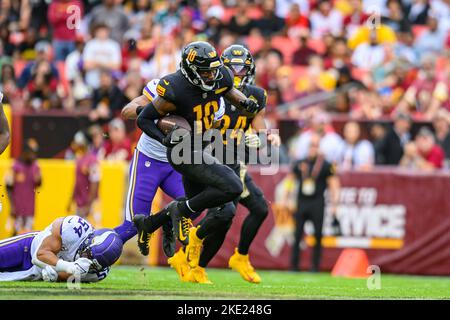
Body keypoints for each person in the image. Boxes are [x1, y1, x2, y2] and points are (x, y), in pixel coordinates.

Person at [133, 41, 260, 284]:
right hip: (183, 151)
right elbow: (144, 119)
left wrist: (244, 102)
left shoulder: (219, 74)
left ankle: (150, 223)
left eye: (214, 70)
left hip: (201, 146)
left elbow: (228, 90)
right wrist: (164, 139)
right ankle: (178, 211)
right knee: (232, 187)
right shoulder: (175, 88)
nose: (212, 75)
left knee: (215, 207)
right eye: (206, 72)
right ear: (191, 70)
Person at [169, 45, 281, 284]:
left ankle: (231, 257)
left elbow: (260, 130)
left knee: (254, 209)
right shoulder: (214, 92)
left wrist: (265, 138)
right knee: (224, 214)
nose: (238, 74)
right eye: (233, 69)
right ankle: (191, 254)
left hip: (234, 162)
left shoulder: (256, 95)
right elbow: (203, 130)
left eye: (242, 70)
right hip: (211, 157)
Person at [113, 79, 185, 260]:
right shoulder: (166, 88)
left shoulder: (204, 98)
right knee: (132, 226)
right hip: (149, 161)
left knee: (195, 202)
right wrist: (151, 113)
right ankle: (89, 249)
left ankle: (166, 219)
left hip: (176, 161)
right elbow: (127, 110)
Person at [0, 216, 122, 282]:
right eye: (88, 253)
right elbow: (39, 255)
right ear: (90, 240)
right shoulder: (74, 228)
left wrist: (56, 276)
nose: (86, 259)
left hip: (35, 274)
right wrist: (68, 267)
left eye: (93, 263)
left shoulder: (98, 274)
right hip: (28, 249)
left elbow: (65, 277)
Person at [291, 133, 340, 272]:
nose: (313, 148)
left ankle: (315, 266)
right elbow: (290, 180)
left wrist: (335, 204)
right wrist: (287, 199)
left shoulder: (326, 165)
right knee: (297, 235)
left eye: (316, 145)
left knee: (318, 235)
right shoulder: (300, 163)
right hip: (301, 201)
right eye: (311, 145)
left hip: (317, 202)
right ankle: (294, 266)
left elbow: (334, 184)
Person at [5, 139, 41, 236]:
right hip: (18, 207)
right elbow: (8, 186)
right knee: (17, 235)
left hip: (30, 208)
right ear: (25, 152)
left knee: (28, 235)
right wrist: (12, 206)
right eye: (31, 153)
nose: (33, 155)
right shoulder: (15, 166)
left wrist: (38, 178)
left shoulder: (35, 166)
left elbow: (39, 184)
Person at [67, 131, 100, 219]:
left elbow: (95, 183)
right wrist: (71, 200)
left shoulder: (92, 160)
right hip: (80, 204)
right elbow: (77, 182)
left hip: (89, 205)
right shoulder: (79, 159)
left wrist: (89, 205)